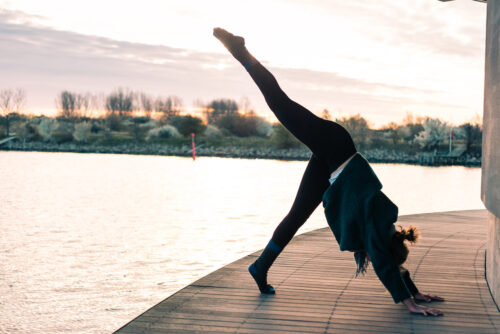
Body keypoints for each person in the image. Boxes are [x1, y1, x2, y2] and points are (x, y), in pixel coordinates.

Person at [213, 28, 444, 316]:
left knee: (296, 216)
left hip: (332, 163)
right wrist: (408, 302)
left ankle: (260, 267)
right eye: (374, 257)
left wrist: (415, 291)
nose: (371, 260)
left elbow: (392, 264)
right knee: (280, 103)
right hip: (335, 145)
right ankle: (240, 52)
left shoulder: (383, 231)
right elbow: (387, 265)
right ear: (381, 247)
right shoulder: (377, 229)